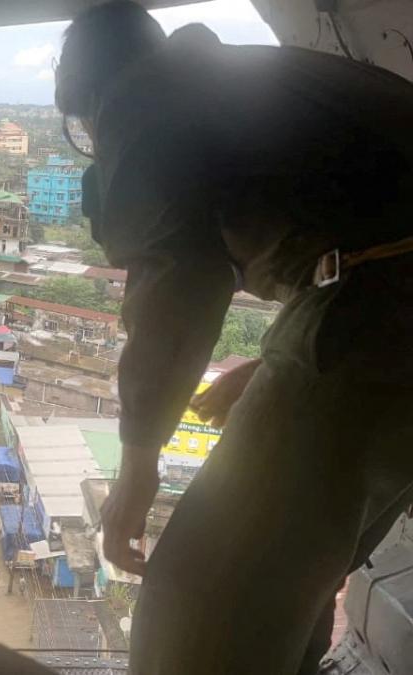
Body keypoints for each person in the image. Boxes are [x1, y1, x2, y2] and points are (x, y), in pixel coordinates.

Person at [56, 3, 413, 674]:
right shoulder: (230, 83)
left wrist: (137, 465)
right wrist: (283, 362)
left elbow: (175, 282)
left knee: (195, 609)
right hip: (378, 315)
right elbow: (353, 236)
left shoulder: (141, 99)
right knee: (292, 579)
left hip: (379, 316)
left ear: (91, 99)